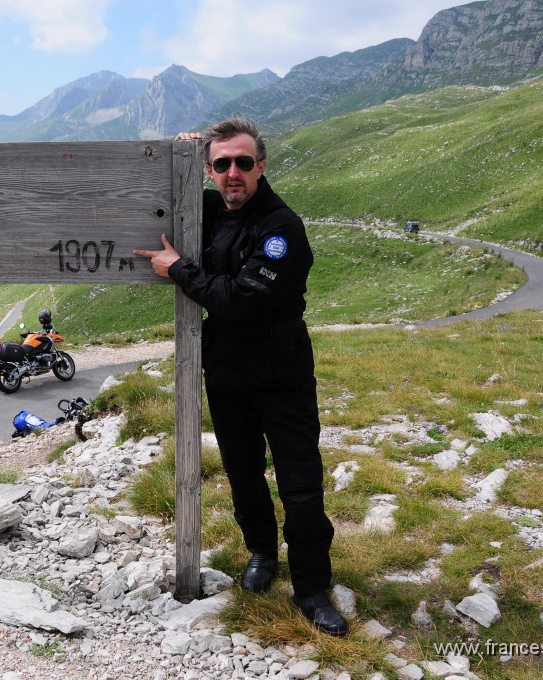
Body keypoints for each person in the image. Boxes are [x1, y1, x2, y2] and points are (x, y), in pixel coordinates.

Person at [133, 116, 347, 636]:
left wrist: (180, 270)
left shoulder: (281, 228)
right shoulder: (210, 207)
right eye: (222, 164)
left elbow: (243, 301)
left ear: (261, 166)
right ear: (210, 170)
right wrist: (176, 151)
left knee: (299, 484)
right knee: (243, 473)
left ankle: (313, 587)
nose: (233, 174)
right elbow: (157, 197)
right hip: (227, 372)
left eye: (243, 163)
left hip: (281, 372)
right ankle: (261, 554)